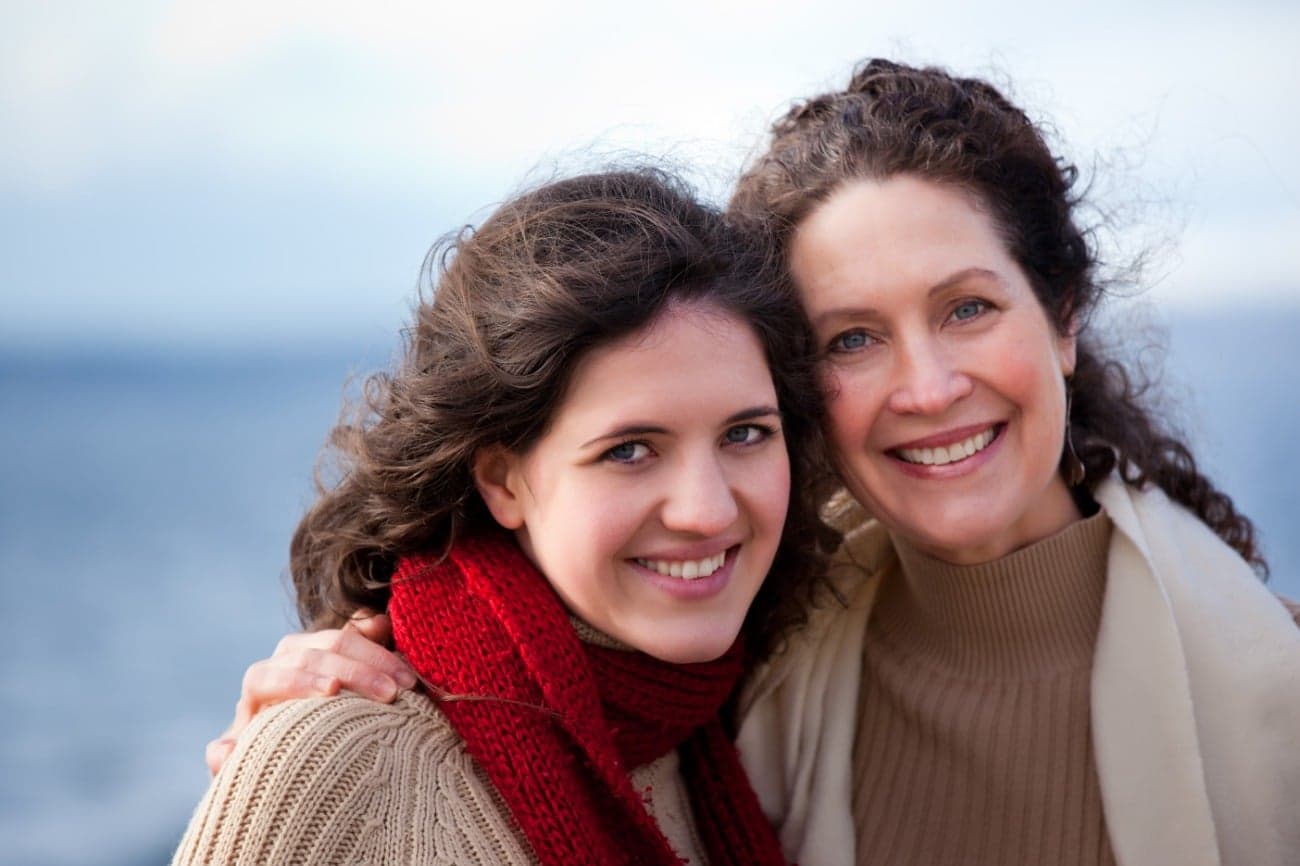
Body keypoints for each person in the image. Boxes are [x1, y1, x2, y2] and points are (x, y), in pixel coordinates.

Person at [211, 61, 1300, 866]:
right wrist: (306, 738)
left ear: (1062, 315)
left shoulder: (1271, 689)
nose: (923, 387)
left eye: (967, 307)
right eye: (851, 338)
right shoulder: (755, 680)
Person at [173, 168, 837, 866]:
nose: (706, 510)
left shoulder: (736, 719)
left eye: (745, 435)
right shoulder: (342, 761)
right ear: (502, 480)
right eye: (631, 450)